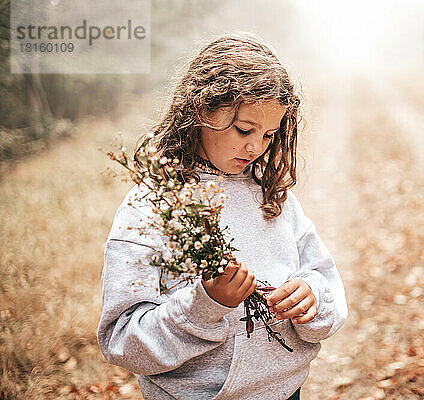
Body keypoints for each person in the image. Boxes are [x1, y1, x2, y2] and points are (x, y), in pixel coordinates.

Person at [97, 32, 348, 400]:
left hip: (284, 391)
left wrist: (311, 295)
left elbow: (322, 277)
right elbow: (122, 337)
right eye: (244, 129)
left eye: (268, 135)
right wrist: (206, 305)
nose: (255, 147)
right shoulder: (151, 206)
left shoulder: (272, 194)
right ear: (201, 108)